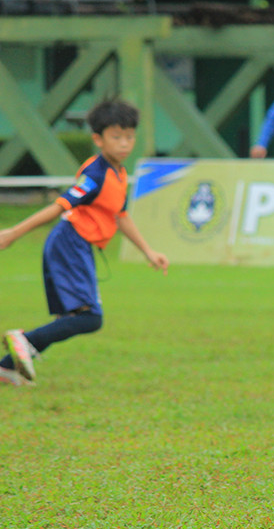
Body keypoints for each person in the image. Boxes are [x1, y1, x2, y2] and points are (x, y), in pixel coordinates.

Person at [0, 99, 169, 386]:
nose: (124, 143)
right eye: (116, 137)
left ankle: (5, 367)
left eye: (129, 137)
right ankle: (23, 341)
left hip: (77, 246)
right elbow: (59, 206)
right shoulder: (96, 175)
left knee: (72, 317)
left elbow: (121, 216)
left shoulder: (118, 173)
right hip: (69, 243)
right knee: (90, 318)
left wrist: (148, 251)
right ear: (98, 139)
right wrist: (14, 233)